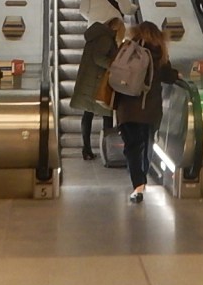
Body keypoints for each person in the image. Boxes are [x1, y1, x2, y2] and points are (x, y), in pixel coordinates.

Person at [114, 21, 180, 202]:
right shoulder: (159, 53)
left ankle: (138, 185)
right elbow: (168, 76)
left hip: (127, 108)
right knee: (147, 143)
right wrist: (176, 75)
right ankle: (141, 179)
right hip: (150, 109)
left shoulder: (127, 49)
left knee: (132, 147)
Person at [70, 16, 126, 160]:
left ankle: (87, 149)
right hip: (97, 83)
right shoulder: (106, 39)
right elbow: (98, 57)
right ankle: (107, 152)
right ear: (117, 29)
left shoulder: (96, 36)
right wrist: (115, 66)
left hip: (89, 82)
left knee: (88, 115)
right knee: (107, 116)